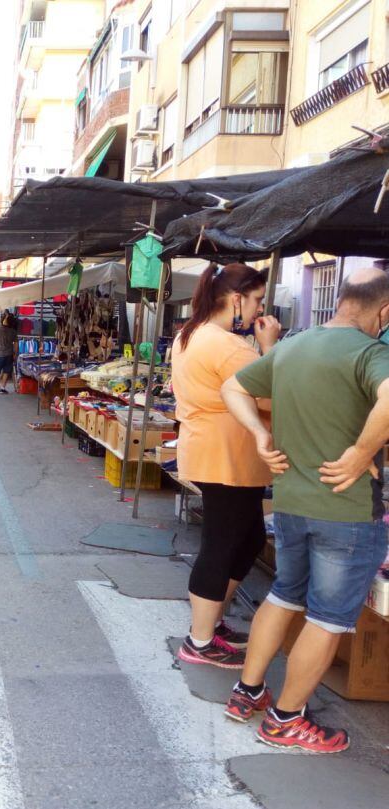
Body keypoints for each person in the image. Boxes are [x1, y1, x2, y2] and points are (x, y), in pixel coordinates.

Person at [220, 267, 389, 754]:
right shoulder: (370, 353)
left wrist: (259, 434)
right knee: (329, 617)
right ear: (383, 311)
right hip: (347, 511)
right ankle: (285, 719)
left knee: (284, 594)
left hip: (291, 501)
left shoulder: (290, 346)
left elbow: (233, 387)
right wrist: (360, 454)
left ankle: (247, 691)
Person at [171, 263, 279, 670]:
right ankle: (199, 641)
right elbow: (269, 396)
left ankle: (210, 622)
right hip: (226, 457)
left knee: (247, 539)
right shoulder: (230, 346)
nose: (259, 311)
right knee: (220, 545)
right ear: (237, 300)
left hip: (215, 452)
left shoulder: (191, 334)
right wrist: (269, 348)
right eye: (256, 301)